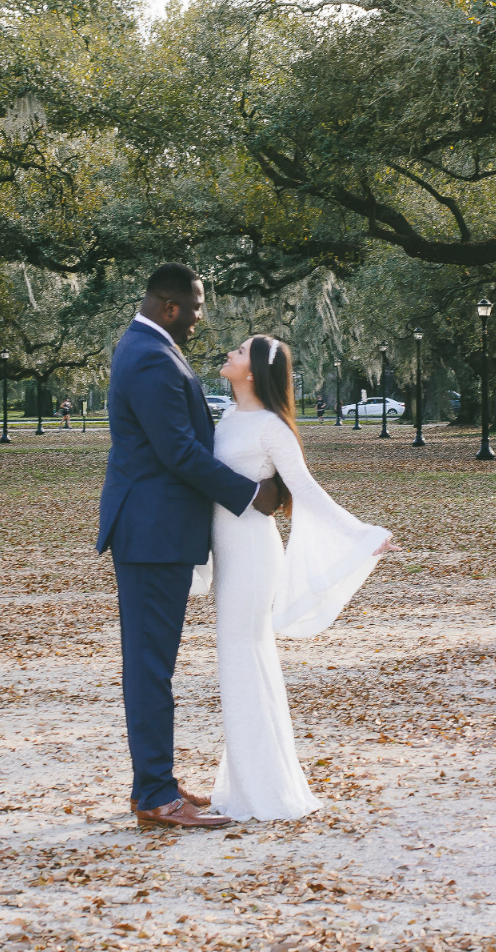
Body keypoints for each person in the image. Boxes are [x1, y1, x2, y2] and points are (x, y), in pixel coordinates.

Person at [99, 263, 287, 830]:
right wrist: (252, 495)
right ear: (170, 305)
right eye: (198, 306)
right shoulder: (152, 356)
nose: (203, 317)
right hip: (152, 533)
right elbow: (178, 452)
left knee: (152, 663)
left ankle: (152, 783)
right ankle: (155, 794)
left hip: (156, 530)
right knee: (150, 666)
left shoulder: (146, 347)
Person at [204, 334, 394, 820]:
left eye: (240, 351)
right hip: (226, 552)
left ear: (254, 371)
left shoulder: (271, 428)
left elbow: (305, 489)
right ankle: (246, 783)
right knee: (240, 662)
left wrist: (360, 533)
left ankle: (264, 792)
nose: (230, 353)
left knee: (244, 657)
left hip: (251, 553)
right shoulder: (228, 416)